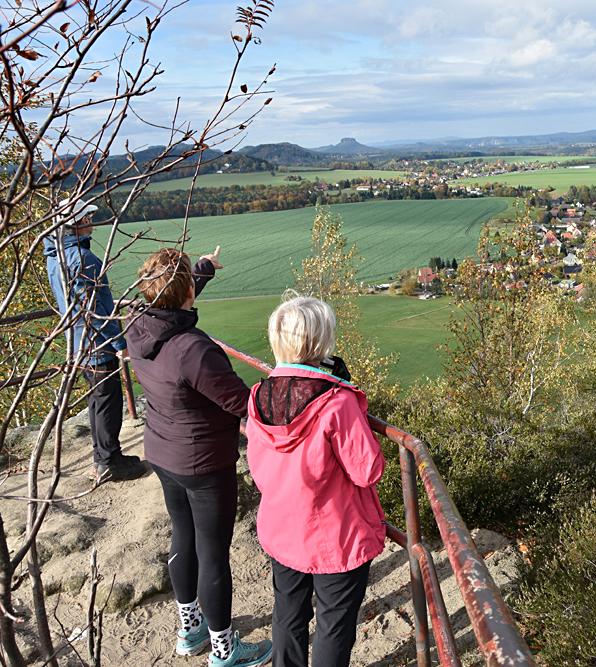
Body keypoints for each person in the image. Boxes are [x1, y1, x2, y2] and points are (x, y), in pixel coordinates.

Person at [126, 247, 272, 667]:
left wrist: (203, 268)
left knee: (183, 537)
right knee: (213, 553)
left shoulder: (138, 324)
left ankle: (190, 630)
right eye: (191, 277)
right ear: (186, 289)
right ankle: (225, 650)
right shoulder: (193, 350)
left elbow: (170, 302)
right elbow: (243, 404)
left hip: (162, 452)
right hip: (205, 462)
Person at [245, 294, 385, 667]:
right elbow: (367, 469)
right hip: (334, 538)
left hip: (282, 529)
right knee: (333, 626)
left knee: (288, 617)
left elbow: (258, 464)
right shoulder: (336, 402)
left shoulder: (258, 396)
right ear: (320, 343)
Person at [43, 198, 144, 483]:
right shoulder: (84, 259)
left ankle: (106, 456)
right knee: (107, 403)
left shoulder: (55, 257)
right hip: (96, 344)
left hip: (78, 342)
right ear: (75, 224)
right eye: (86, 219)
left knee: (97, 402)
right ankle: (108, 462)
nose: (91, 223)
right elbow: (97, 310)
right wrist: (119, 343)